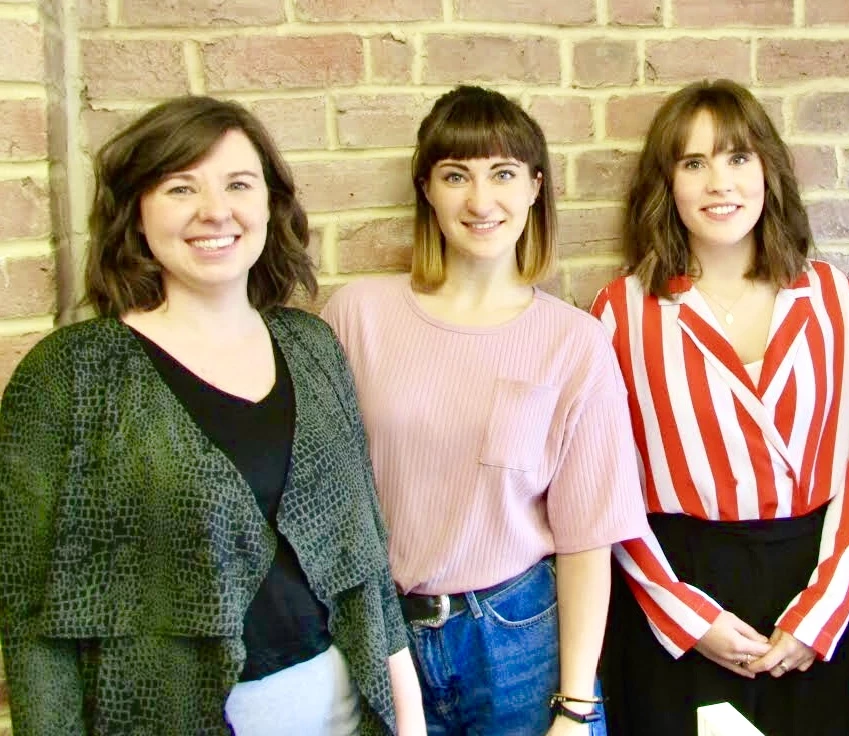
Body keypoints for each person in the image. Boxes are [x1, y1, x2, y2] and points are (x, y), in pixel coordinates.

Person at [0, 96, 425, 735]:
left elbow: (365, 561)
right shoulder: (70, 376)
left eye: (237, 184)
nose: (215, 211)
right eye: (180, 187)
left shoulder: (311, 348)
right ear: (136, 213)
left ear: (268, 205)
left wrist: (410, 721)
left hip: (345, 708)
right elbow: (33, 621)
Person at [321, 85, 648, 736]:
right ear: (426, 189)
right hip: (384, 632)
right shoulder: (357, 316)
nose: (479, 200)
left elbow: (588, 538)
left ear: (533, 187)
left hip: (516, 635)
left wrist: (574, 707)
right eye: (454, 176)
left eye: (501, 174)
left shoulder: (572, 341)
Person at [591, 79, 849, 736]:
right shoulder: (621, 313)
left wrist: (822, 608)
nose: (719, 182)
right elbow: (607, 489)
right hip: (680, 594)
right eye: (693, 163)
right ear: (667, 184)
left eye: (737, 158)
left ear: (768, 171)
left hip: (805, 595)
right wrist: (690, 619)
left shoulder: (829, 296)